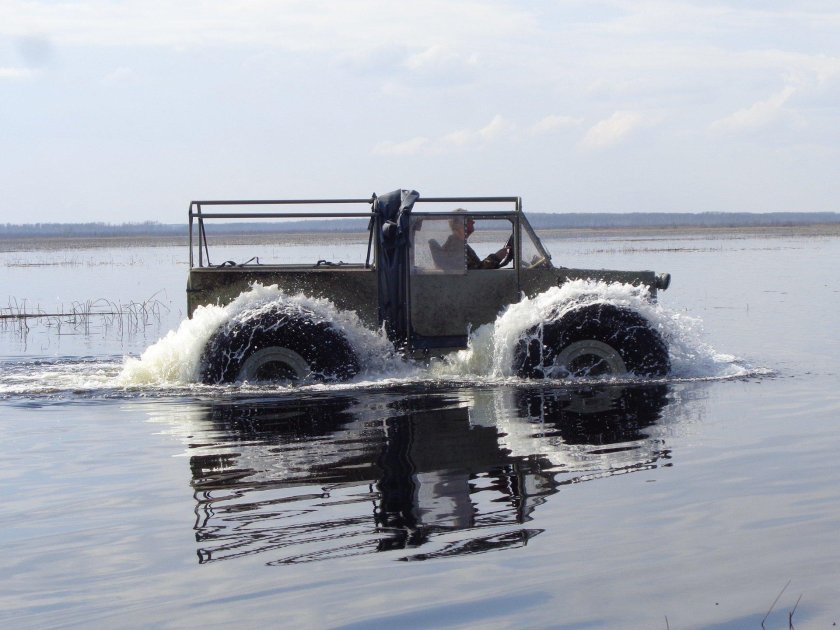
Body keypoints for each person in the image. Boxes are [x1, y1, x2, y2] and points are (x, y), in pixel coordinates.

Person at [442, 210, 512, 270]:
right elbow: (476, 273)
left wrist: (497, 257)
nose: (473, 222)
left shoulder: (459, 244)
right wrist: (496, 257)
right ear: (459, 225)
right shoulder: (455, 247)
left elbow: (476, 269)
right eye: (469, 219)